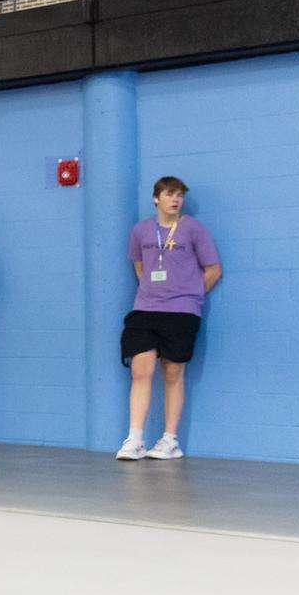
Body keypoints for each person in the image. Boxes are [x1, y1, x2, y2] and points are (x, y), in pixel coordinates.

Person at [118, 176, 222, 462]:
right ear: (156, 198)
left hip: (181, 312)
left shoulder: (193, 228)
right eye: (169, 194)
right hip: (145, 310)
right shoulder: (141, 231)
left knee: (173, 373)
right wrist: (155, 291)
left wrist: (189, 295)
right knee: (140, 369)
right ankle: (135, 439)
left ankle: (170, 440)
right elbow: (140, 267)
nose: (176, 200)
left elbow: (213, 270)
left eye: (179, 195)